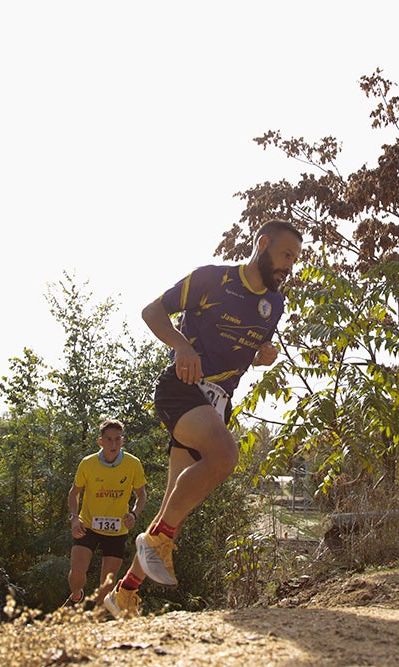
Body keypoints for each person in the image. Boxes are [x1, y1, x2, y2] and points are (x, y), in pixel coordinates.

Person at [104, 219, 302, 618]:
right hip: (181, 388)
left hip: (216, 404)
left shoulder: (275, 304)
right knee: (226, 456)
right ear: (261, 244)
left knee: (173, 505)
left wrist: (263, 355)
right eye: (285, 256)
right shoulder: (212, 280)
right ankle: (157, 541)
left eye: (294, 260)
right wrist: (180, 345)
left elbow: (249, 348)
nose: (289, 267)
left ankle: (124, 594)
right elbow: (152, 311)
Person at [67, 418, 147, 609]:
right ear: (100, 441)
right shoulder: (88, 463)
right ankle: (76, 595)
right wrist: (74, 518)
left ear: (123, 441)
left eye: (117, 439)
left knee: (107, 583)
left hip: (117, 530)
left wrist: (134, 514)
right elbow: (73, 493)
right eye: (109, 439)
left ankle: (96, 619)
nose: (113, 444)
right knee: (77, 573)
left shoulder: (133, 464)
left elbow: (141, 494)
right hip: (88, 525)